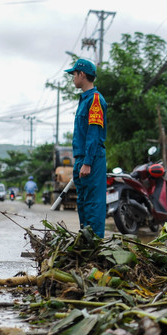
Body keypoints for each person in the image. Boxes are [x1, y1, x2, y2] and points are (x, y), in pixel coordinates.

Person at [65, 58, 107, 237]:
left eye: (74, 74)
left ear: (82, 74)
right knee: (83, 203)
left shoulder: (95, 99)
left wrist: (88, 162)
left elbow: (94, 132)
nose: (72, 78)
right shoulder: (84, 100)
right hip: (82, 158)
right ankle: (86, 241)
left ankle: (95, 245)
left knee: (93, 204)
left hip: (92, 159)